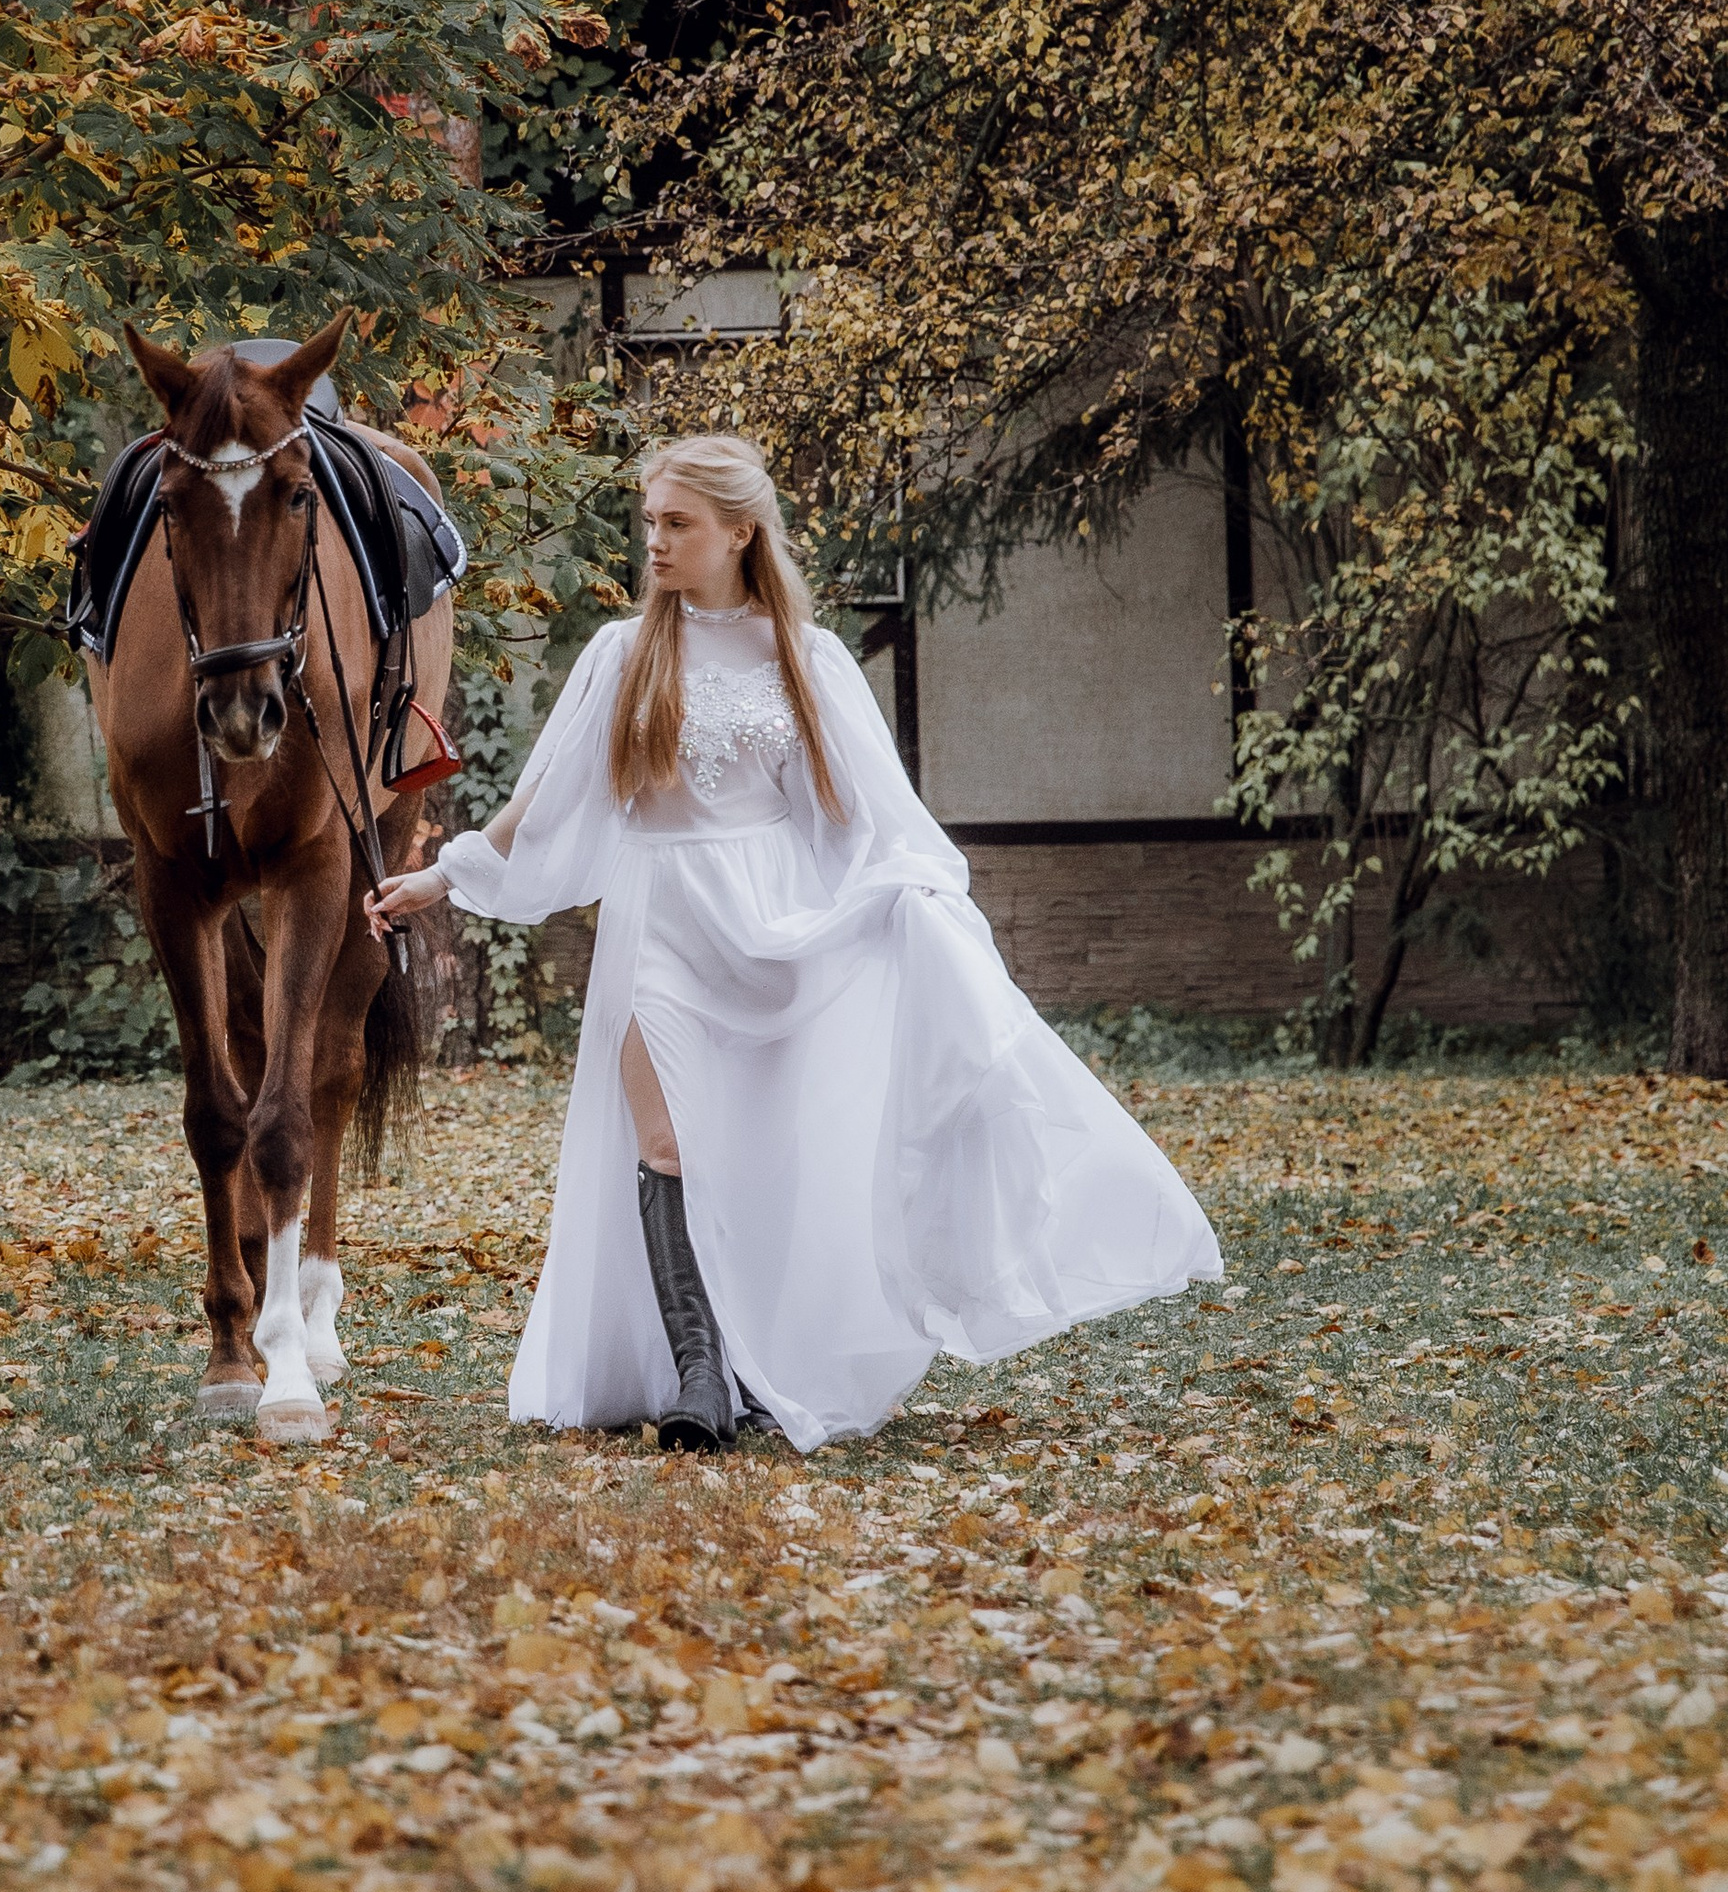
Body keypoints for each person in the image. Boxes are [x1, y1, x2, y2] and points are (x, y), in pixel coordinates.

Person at [366, 434, 1221, 1454]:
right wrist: (446, 871)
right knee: (668, 1139)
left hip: (774, 927)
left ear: (740, 530)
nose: (656, 540)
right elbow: (543, 799)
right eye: (650, 521)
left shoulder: (806, 659)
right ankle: (696, 1374)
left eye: (676, 522)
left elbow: (872, 813)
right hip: (661, 912)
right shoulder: (622, 653)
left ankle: (753, 1357)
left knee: (762, 1149)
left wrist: (914, 899)